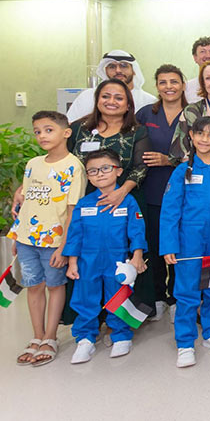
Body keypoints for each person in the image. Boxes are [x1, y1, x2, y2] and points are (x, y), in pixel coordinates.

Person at [65, 78, 152, 325]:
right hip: (85, 201)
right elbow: (63, 160)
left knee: (123, 259)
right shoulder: (79, 128)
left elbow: (140, 166)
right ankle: (89, 319)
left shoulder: (137, 130)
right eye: (106, 96)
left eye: (118, 97)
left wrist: (121, 192)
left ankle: (123, 320)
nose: (111, 101)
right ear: (97, 100)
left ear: (128, 105)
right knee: (87, 259)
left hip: (124, 199)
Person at [8, 111, 86, 366]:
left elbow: (73, 210)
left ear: (66, 132)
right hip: (27, 239)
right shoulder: (33, 164)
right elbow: (25, 203)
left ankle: (51, 336)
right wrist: (16, 235)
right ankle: (37, 336)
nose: (42, 135)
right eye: (38, 131)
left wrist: (64, 246)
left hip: (54, 242)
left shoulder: (74, 166)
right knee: (33, 286)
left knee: (54, 286)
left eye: (48, 129)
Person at [160, 117, 210, 368]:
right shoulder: (183, 170)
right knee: (187, 292)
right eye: (200, 134)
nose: (205, 139)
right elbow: (170, 210)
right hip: (189, 242)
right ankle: (185, 342)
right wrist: (169, 245)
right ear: (191, 136)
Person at [63, 149, 147, 363]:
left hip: (117, 261)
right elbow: (74, 234)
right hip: (87, 261)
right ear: (88, 176)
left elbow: (137, 229)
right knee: (85, 298)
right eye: (93, 171)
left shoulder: (128, 202)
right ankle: (85, 339)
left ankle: (120, 336)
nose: (99, 174)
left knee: (118, 297)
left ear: (118, 171)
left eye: (105, 168)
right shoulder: (84, 204)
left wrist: (137, 256)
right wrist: (72, 262)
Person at [136, 64, 187, 322]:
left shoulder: (192, 114)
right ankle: (157, 297)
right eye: (163, 82)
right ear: (157, 86)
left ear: (183, 85)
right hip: (152, 190)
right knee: (154, 246)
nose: (169, 86)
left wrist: (169, 161)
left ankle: (177, 296)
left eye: (174, 81)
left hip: (184, 192)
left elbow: (200, 152)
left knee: (180, 246)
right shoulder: (146, 113)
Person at [66, 50, 157, 123]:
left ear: (134, 71)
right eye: (112, 66)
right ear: (105, 71)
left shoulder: (149, 101)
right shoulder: (87, 96)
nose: (118, 70)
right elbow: (70, 126)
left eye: (124, 66)